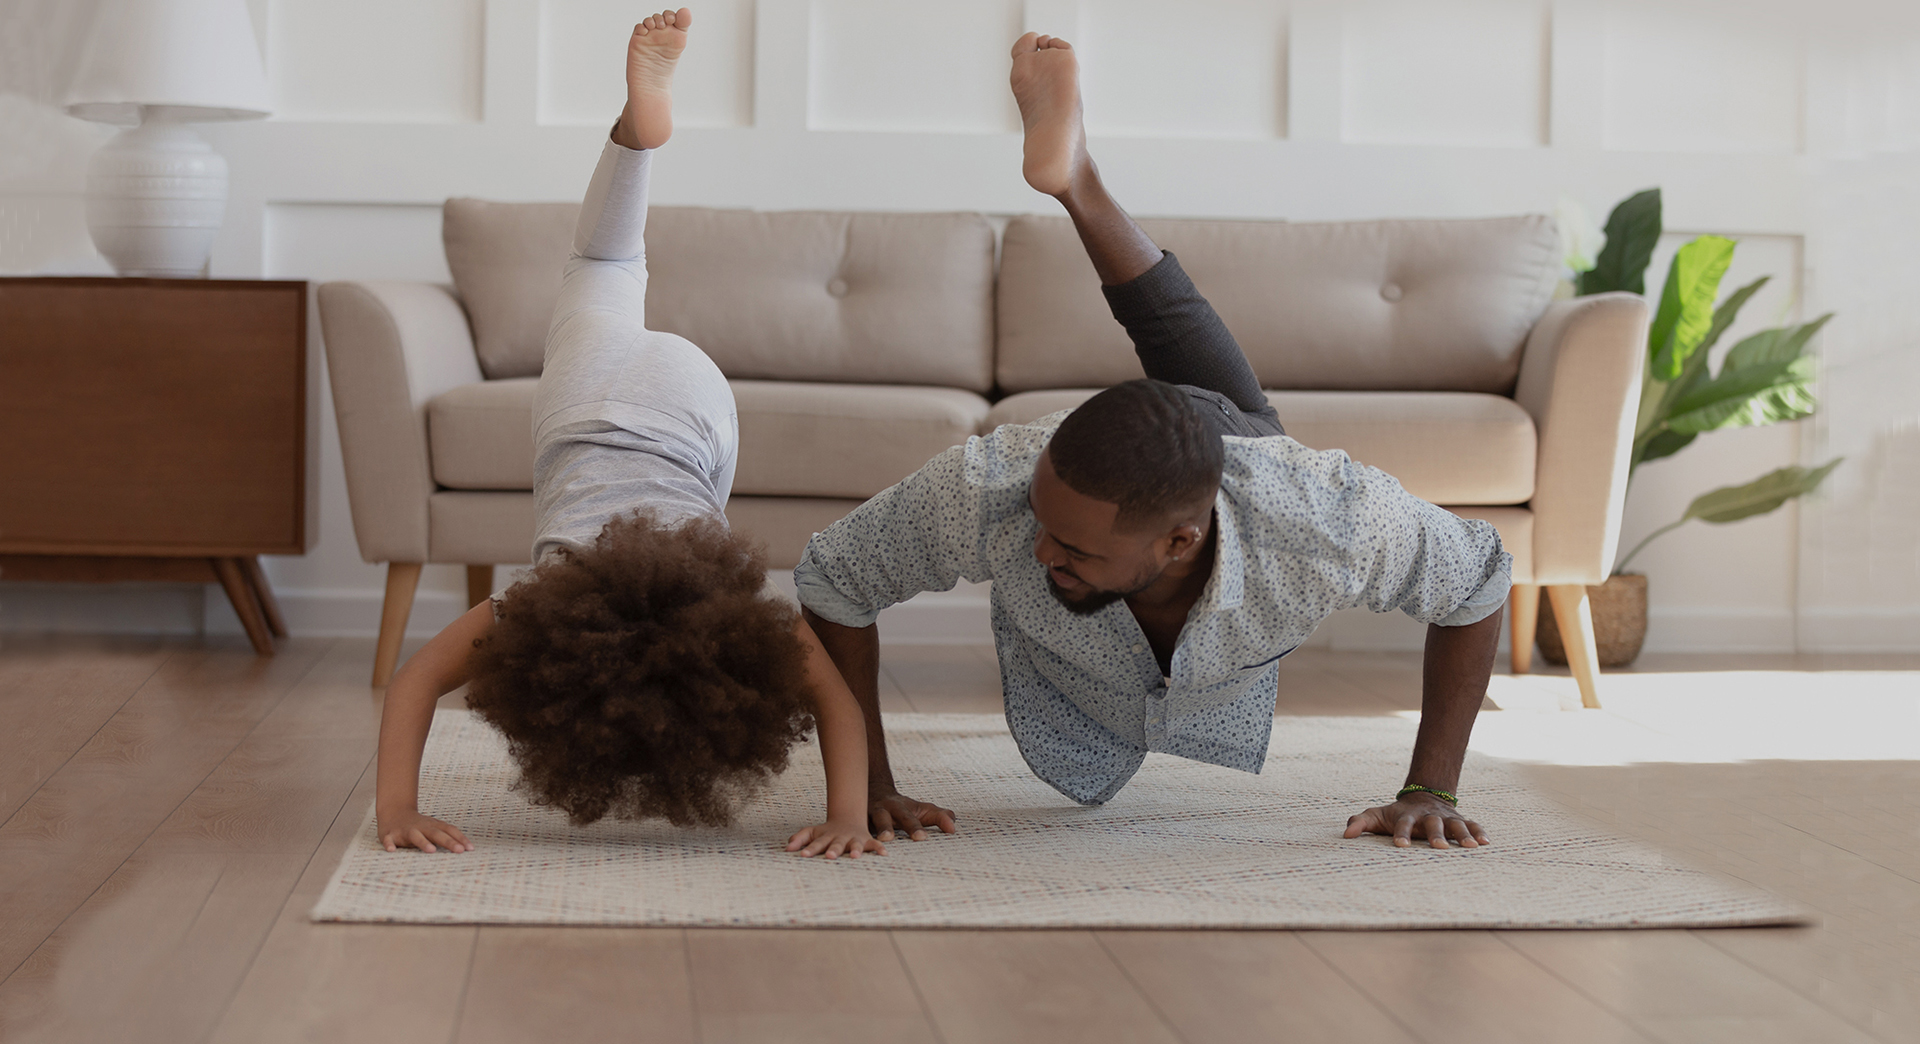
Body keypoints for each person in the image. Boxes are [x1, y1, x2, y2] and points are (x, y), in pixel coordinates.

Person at [797, 32, 1508, 851]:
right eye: (1043, 522)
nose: (1038, 552)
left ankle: (1081, 182)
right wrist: (870, 783)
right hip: (1207, 462)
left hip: (1250, 474)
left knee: (1237, 413)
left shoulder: (1328, 520)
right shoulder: (990, 488)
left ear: (1181, 541)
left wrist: (1430, 787)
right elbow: (834, 578)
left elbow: (1478, 578)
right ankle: (1078, 182)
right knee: (1203, 377)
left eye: (1071, 546)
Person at [374, 8, 883, 861]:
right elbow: (417, 682)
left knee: (623, 306)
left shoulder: (732, 610)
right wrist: (397, 809)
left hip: (694, 409)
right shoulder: (539, 602)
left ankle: (636, 139)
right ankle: (634, 139)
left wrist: (846, 814)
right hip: (587, 401)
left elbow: (835, 707)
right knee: (603, 268)